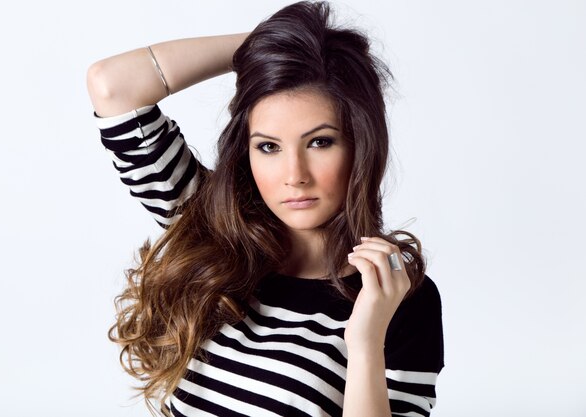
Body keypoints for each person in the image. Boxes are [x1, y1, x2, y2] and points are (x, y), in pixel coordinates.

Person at [87, 2, 444, 416]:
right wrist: (274, 50)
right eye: (269, 147)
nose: (294, 175)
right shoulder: (210, 227)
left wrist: (365, 343)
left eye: (319, 142)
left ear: (361, 145)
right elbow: (112, 85)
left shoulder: (396, 294)